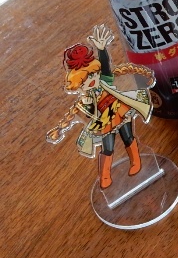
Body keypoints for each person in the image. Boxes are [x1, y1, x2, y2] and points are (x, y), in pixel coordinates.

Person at [47, 25, 153, 189]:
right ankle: (105, 177)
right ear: (79, 86)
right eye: (85, 81)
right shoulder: (85, 99)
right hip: (104, 123)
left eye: (92, 75)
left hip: (119, 112)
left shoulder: (105, 82)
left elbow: (106, 68)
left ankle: (135, 162)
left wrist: (102, 49)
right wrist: (60, 129)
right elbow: (73, 114)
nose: (91, 80)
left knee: (128, 137)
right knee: (107, 148)